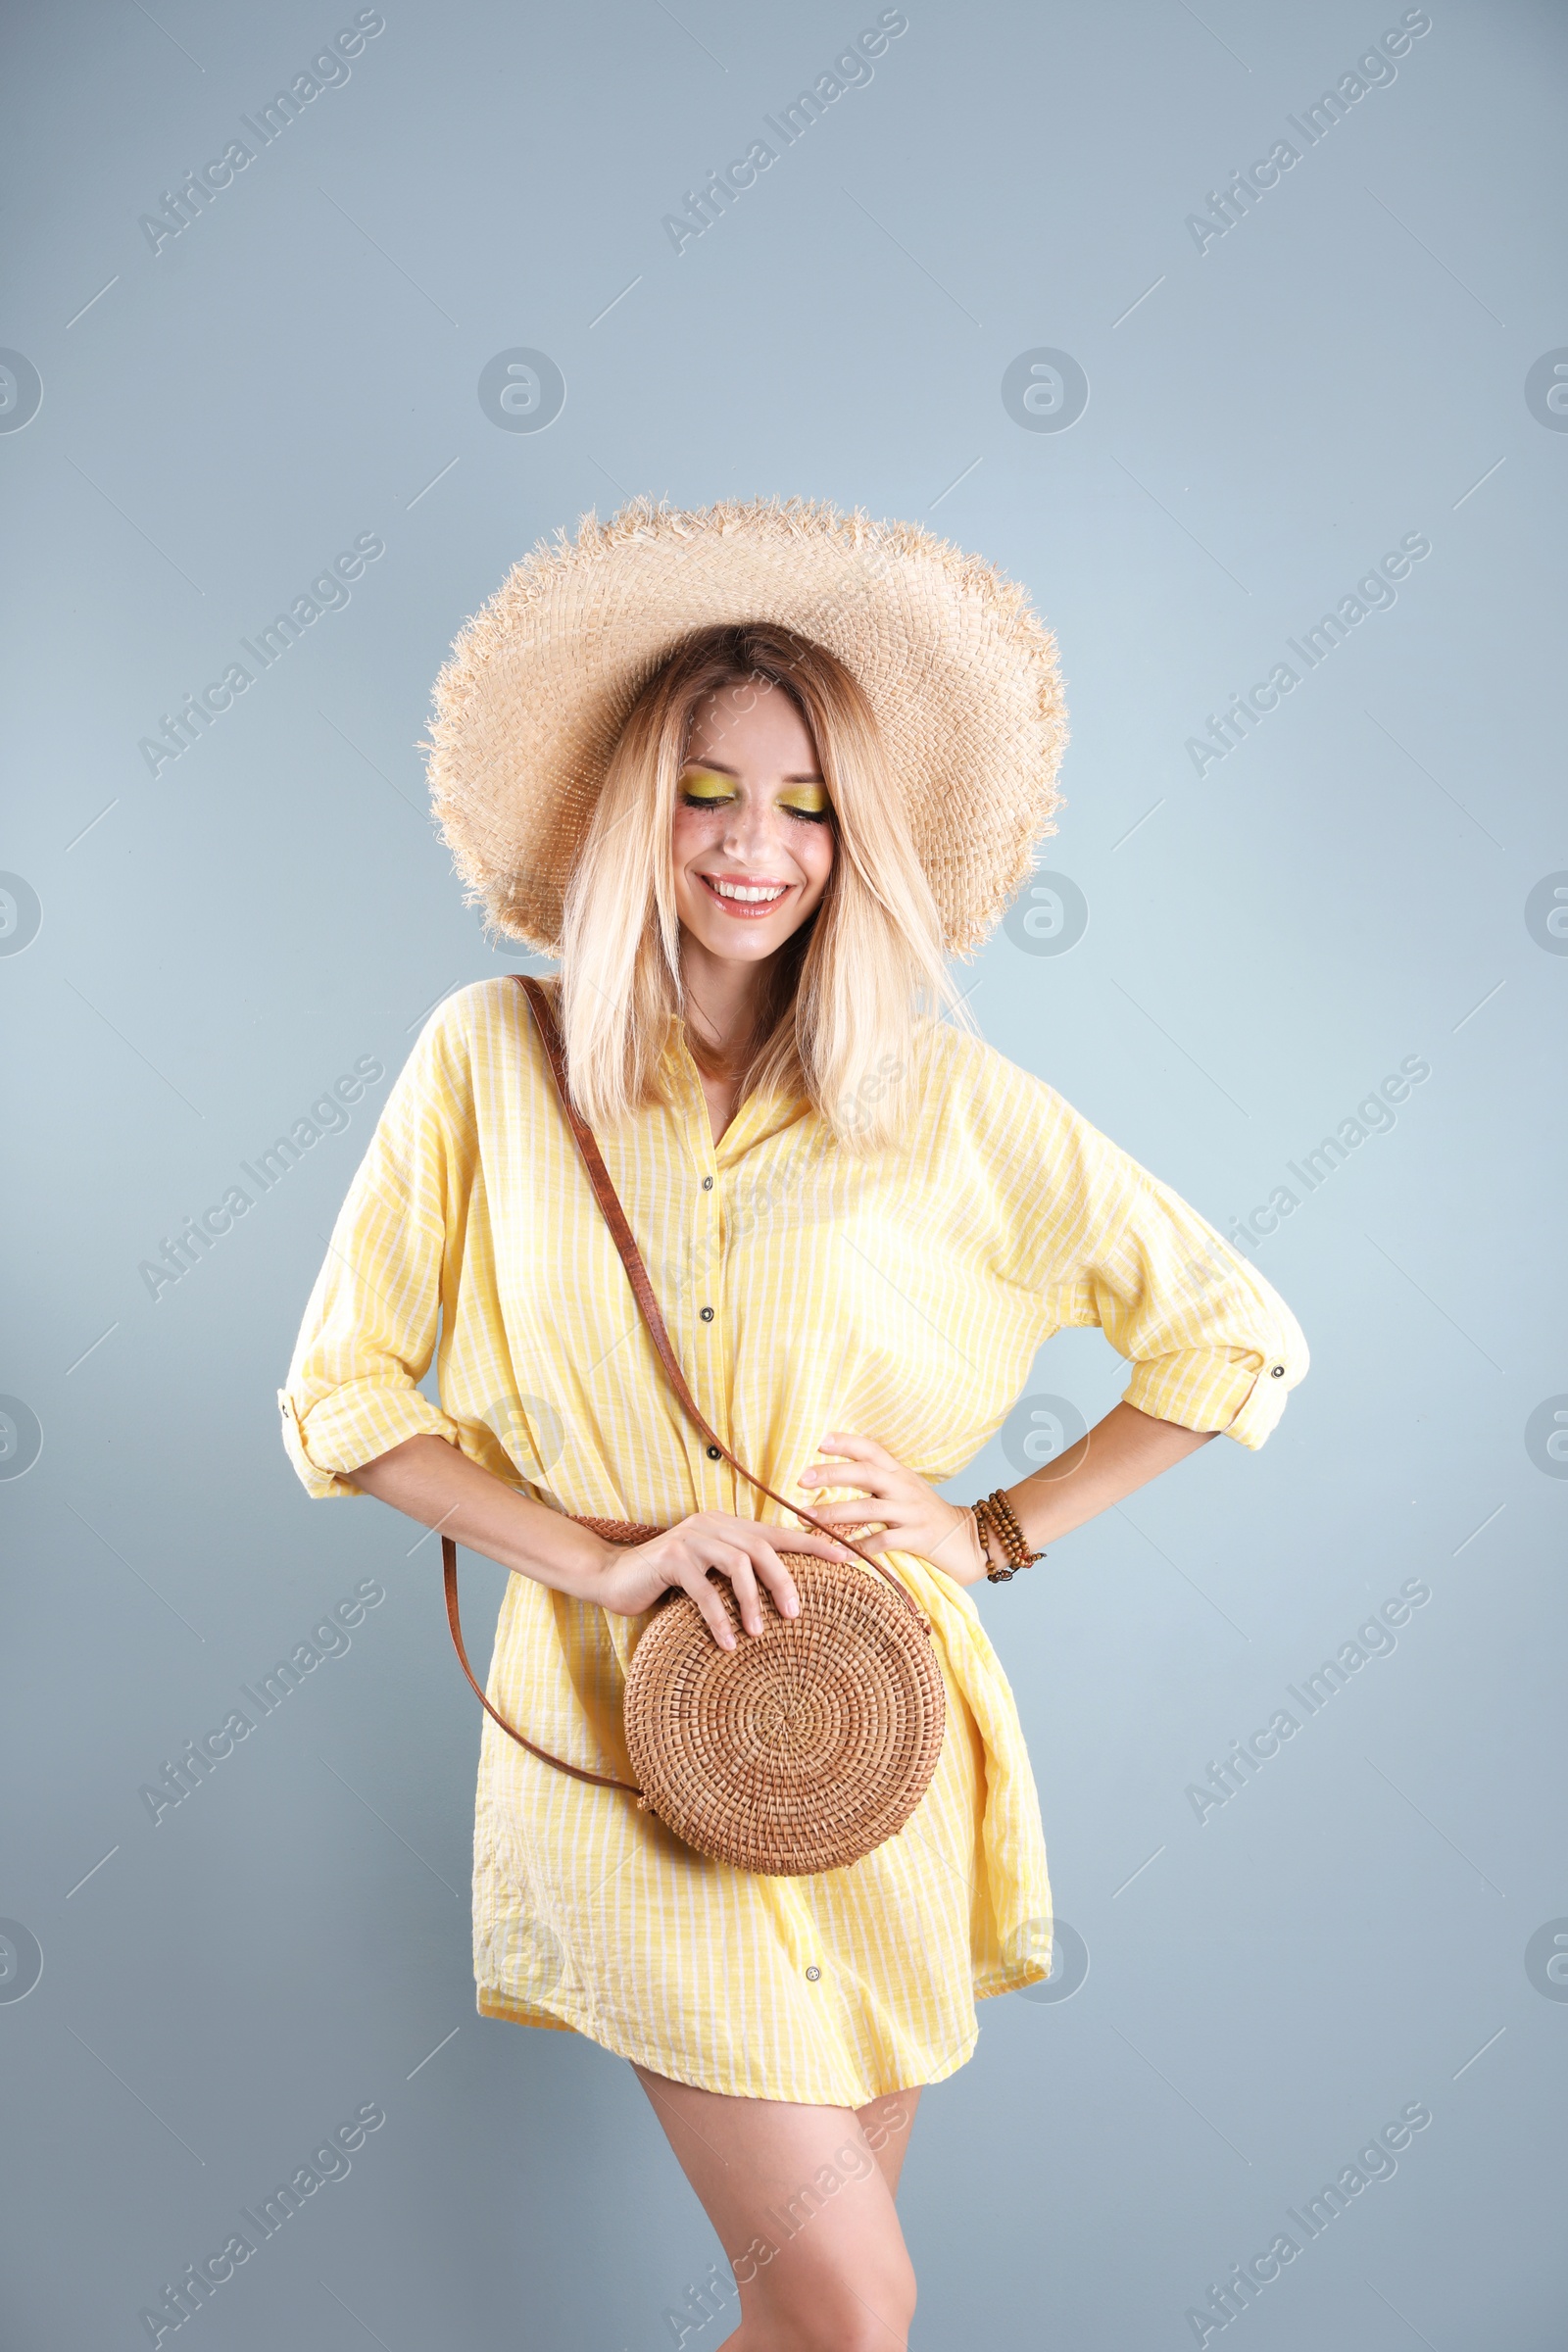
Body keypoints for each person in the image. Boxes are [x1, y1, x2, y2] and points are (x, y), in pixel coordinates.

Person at [279, 497, 1306, 2350]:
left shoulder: (941, 1101)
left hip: (870, 1732)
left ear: (860, 838)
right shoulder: (488, 1064)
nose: (758, 845)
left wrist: (991, 1530)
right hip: (633, 1737)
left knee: (802, 2322)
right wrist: (601, 1556)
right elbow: (339, 1403)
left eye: (809, 802)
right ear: (630, 812)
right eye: (709, 791)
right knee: (855, 2306)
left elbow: (1233, 1337)